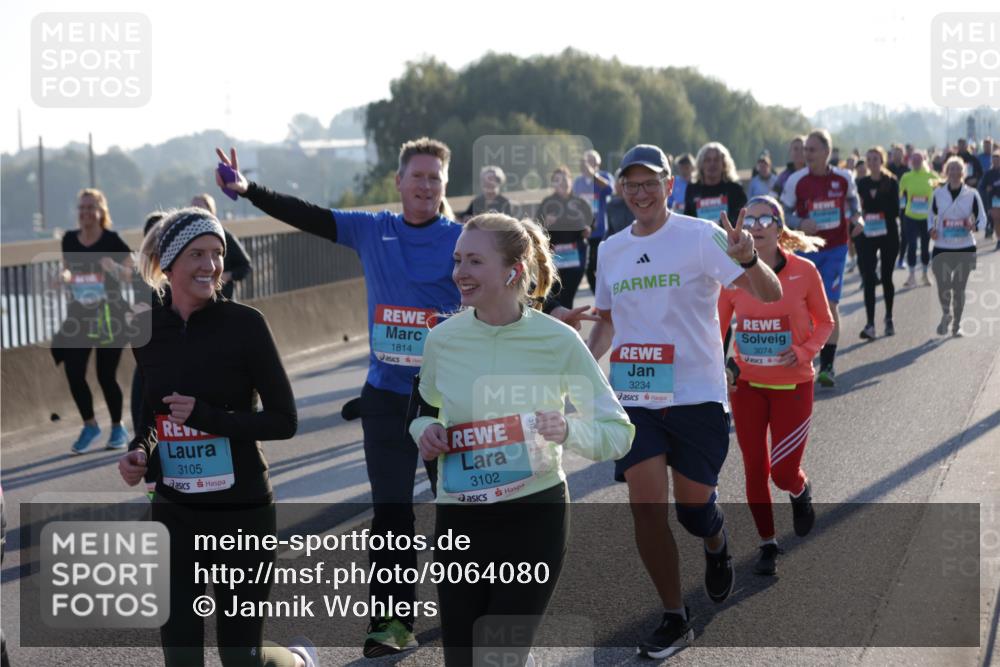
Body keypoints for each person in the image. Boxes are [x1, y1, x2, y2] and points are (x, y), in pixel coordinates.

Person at [214, 138, 456, 657]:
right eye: (417, 175)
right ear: (399, 181)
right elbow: (311, 216)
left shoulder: (461, 240)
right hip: (386, 398)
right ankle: (391, 626)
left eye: (435, 177)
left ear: (445, 185)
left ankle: (468, 610)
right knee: (391, 517)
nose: (425, 185)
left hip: (446, 401)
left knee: (458, 512)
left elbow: (507, 273)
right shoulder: (374, 229)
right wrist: (249, 189)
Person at [410, 212, 633, 666]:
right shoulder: (441, 340)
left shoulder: (558, 341)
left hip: (533, 519)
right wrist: (426, 432)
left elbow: (618, 432)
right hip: (461, 520)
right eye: (457, 260)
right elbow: (424, 409)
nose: (459, 272)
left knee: (499, 655)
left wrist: (567, 430)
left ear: (512, 271)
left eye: (474, 261)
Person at [588, 144, 781, 659]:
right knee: (646, 507)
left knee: (694, 511)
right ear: (621, 190)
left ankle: (716, 542)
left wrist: (749, 258)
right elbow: (606, 322)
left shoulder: (700, 236)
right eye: (632, 184)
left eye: (650, 182)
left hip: (696, 395)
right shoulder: (610, 249)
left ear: (670, 185)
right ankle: (675, 617)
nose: (641, 192)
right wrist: (580, 365)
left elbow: (768, 293)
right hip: (635, 397)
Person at [117, 207, 318, 667]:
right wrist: (139, 452)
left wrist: (209, 418)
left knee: (240, 657)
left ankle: (297, 661)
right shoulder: (145, 327)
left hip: (242, 511)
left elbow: (284, 420)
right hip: (175, 511)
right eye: (197, 254)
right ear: (169, 263)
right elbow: (153, 416)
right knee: (182, 655)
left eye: (217, 253)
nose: (210, 265)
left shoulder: (245, 325)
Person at [718, 196, 832, 575]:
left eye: (766, 219)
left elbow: (825, 323)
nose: (757, 225)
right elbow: (716, 331)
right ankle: (767, 543)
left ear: (779, 228)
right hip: (747, 387)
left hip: (793, 385)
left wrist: (803, 351)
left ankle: (799, 490)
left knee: (781, 473)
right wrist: (721, 366)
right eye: (750, 219)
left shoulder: (804, 271)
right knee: (754, 468)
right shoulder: (732, 276)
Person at [779, 129, 864, 388]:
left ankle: (827, 365)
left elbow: (854, 204)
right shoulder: (796, 180)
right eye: (805, 150)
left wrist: (858, 218)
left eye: (812, 150)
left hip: (835, 249)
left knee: (830, 304)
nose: (807, 154)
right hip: (805, 251)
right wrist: (800, 222)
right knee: (802, 307)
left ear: (827, 152)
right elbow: (782, 213)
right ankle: (803, 355)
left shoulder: (844, 177)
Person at [53, 188, 134, 454]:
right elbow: (68, 268)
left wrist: (115, 268)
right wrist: (64, 277)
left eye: (90, 207)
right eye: (81, 208)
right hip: (80, 316)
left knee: (105, 375)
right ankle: (90, 426)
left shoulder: (112, 240)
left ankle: (118, 428)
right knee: (74, 372)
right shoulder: (69, 239)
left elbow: (132, 273)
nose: (85, 212)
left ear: (101, 212)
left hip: (111, 316)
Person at [929, 157, 987, 337]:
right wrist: (931, 229)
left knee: (959, 288)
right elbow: (931, 216)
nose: (954, 172)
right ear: (946, 172)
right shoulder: (938, 193)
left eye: (958, 169)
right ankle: (946, 314)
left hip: (965, 247)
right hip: (942, 247)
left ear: (963, 172)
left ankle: (957, 324)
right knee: (943, 286)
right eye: (951, 169)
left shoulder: (972, 194)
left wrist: (974, 226)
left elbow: (982, 218)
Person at [855, 147, 901, 338]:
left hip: (888, 233)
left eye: (876, 159)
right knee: (868, 278)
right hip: (868, 236)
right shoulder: (861, 183)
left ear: (881, 161)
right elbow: (857, 209)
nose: (872, 162)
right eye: (869, 159)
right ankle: (870, 324)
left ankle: (889, 318)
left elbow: (896, 210)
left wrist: (877, 210)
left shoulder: (891, 181)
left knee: (886, 277)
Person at [538, 165, 592, 309]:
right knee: (555, 295)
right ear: (553, 184)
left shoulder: (581, 202)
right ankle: (561, 319)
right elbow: (536, 227)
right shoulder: (547, 203)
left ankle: (567, 318)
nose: (561, 183)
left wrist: (588, 230)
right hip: (554, 254)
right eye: (557, 180)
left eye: (564, 179)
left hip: (576, 253)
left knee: (568, 295)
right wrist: (545, 224)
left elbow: (591, 223)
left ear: (571, 181)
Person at [190, 193, 253, 300]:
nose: (195, 213)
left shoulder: (224, 236)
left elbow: (246, 266)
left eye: (199, 209)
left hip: (223, 299)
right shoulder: (188, 237)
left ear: (211, 211)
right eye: (192, 210)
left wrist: (227, 276)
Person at [573, 149, 613, 293]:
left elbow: (610, 190)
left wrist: (593, 174)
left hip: (600, 231)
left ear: (598, 163)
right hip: (584, 230)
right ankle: (600, 297)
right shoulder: (578, 181)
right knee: (587, 268)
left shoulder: (604, 177)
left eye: (592, 162)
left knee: (598, 267)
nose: (589, 165)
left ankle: (605, 297)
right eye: (587, 161)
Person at [899, 151, 939, 287]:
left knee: (925, 246)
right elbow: (899, 193)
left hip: (926, 218)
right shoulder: (906, 177)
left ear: (923, 161)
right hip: (910, 216)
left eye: (919, 160)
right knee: (912, 245)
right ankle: (911, 276)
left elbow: (941, 190)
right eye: (914, 160)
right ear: (910, 162)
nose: (916, 162)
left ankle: (925, 274)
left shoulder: (931, 176)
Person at [684, 142, 747, 224]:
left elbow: (741, 219)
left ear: (724, 164)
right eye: (707, 160)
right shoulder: (692, 189)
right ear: (701, 164)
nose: (712, 164)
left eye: (716, 160)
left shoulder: (735, 189)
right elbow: (688, 220)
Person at [977, 149, 1000, 247]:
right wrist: (987, 189)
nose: (996, 162)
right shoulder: (988, 173)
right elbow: (981, 187)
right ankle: (999, 239)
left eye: (998, 160)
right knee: (997, 220)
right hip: (994, 200)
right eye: (994, 160)